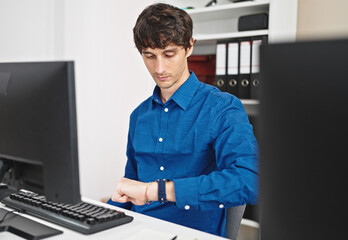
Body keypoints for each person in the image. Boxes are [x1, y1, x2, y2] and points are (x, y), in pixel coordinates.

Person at [108, 3, 258, 237]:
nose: (159, 68)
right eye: (149, 56)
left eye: (169, 54)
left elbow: (250, 180)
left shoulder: (222, 108)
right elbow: (130, 188)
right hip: (138, 231)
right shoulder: (138, 116)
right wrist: (98, 216)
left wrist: (156, 191)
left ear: (189, 47)